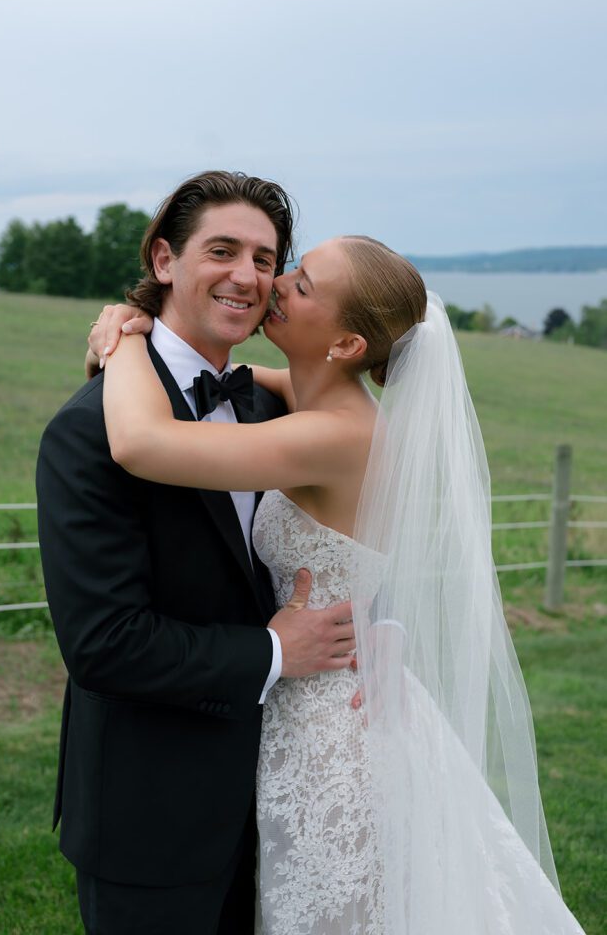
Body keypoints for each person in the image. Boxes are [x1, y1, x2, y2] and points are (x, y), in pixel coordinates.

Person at [91, 233, 587, 934]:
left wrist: (122, 341)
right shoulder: (322, 394)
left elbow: (140, 444)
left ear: (348, 345)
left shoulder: (338, 435)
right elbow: (263, 379)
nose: (276, 284)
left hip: (330, 726)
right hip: (327, 687)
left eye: (301, 283)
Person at [35, 171, 358, 935]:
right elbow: (105, 645)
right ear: (163, 261)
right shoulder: (87, 434)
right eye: (222, 249)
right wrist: (273, 651)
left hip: (290, 799)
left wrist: (375, 637)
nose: (246, 275)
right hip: (153, 814)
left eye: (264, 256)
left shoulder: (268, 401)